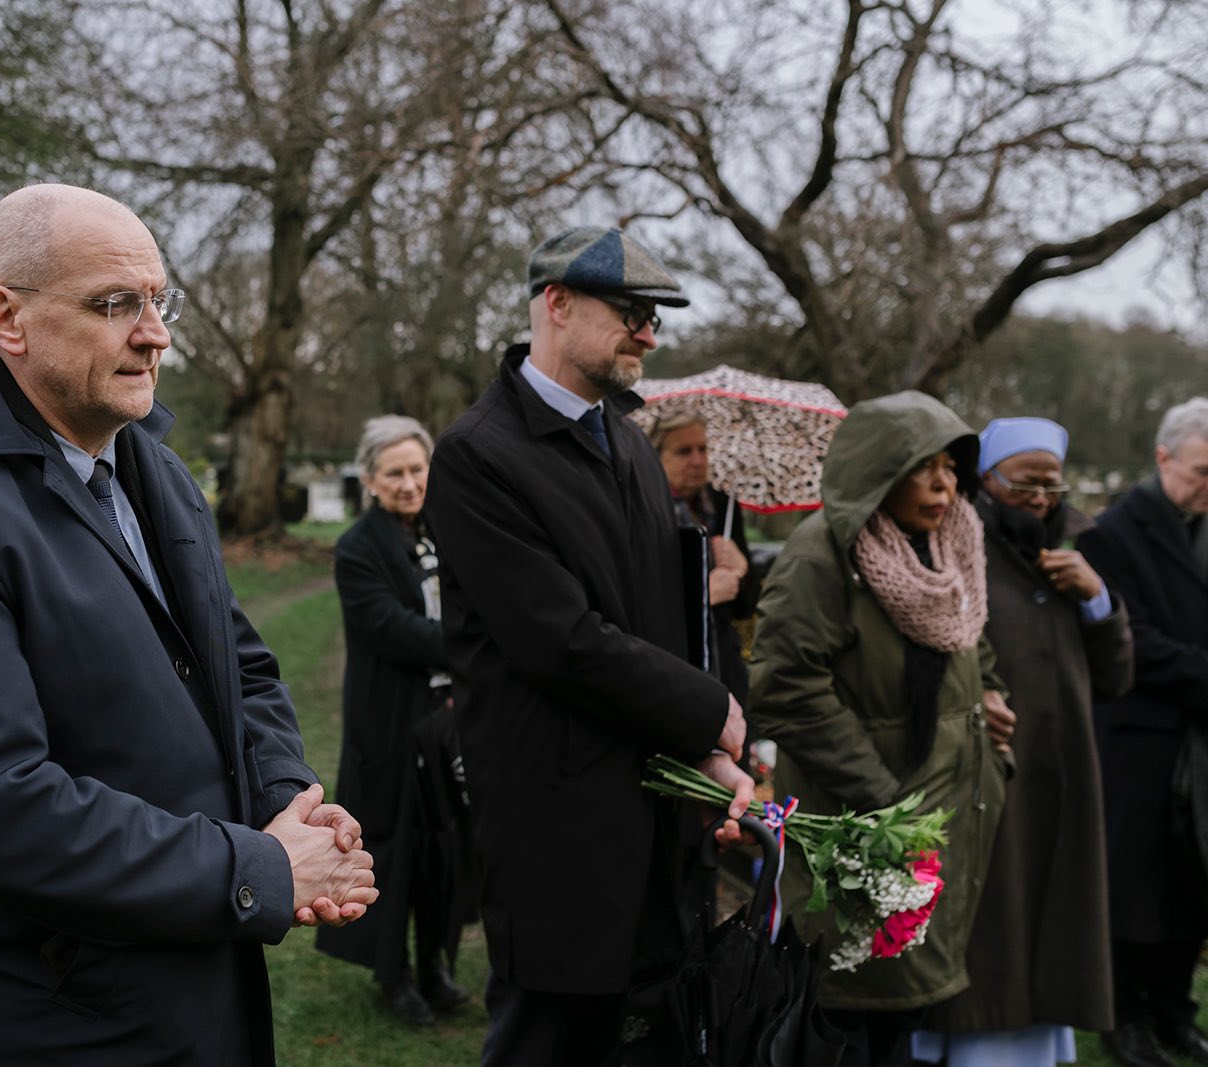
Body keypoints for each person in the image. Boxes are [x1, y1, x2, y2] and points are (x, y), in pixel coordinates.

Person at [0, 183, 377, 1065]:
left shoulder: (152, 468)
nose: (155, 334)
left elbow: (238, 668)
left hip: (196, 996)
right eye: (114, 303)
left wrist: (288, 803)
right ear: (6, 318)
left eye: (159, 300)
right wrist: (258, 870)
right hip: (53, 1025)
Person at [423, 225, 753, 1066]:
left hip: (658, 823)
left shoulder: (631, 443)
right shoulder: (477, 455)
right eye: (632, 314)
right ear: (558, 304)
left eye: (654, 317)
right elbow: (559, 641)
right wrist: (707, 709)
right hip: (558, 829)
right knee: (551, 1040)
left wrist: (704, 756)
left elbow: (657, 625)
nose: (650, 335)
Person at [747, 391, 1013, 1067]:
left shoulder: (952, 542)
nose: (944, 485)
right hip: (867, 819)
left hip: (945, 811)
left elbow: (971, 639)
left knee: (906, 1002)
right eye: (923, 467)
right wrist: (884, 800)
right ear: (876, 472)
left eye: (951, 467)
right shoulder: (822, 557)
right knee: (849, 1005)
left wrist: (990, 699)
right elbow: (785, 687)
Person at [914, 416, 1133, 1066]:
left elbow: (1116, 679)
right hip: (985, 777)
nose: (1039, 498)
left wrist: (1097, 600)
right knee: (993, 935)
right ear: (986, 479)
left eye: (1051, 484)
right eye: (1023, 483)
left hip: (1062, 775)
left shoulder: (1072, 554)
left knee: (1051, 929)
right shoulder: (956, 550)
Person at [316, 415, 473, 1025]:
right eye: (394, 473)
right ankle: (394, 975)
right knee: (392, 854)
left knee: (444, 853)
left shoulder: (446, 531)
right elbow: (392, 629)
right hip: (391, 726)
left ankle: (435, 966)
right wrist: (476, 646)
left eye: (417, 469)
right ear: (371, 480)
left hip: (447, 724)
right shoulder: (358, 549)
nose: (409, 483)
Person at [1077, 396, 1208, 1067]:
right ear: (1163, 457)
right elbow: (1132, 640)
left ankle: (1174, 1011)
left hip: (1198, 737)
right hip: (1138, 738)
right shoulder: (1111, 535)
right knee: (1134, 886)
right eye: (1202, 472)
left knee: (1193, 880)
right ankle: (1124, 1016)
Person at [647, 412, 759, 703]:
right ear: (656, 456)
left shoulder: (721, 505)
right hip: (674, 666)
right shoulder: (645, 510)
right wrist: (705, 594)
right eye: (684, 451)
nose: (698, 461)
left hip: (725, 663)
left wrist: (742, 570)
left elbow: (746, 608)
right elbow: (645, 604)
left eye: (703, 449)